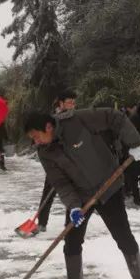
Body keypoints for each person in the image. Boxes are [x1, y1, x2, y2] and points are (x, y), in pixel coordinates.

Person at [24, 108, 140, 279]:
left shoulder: (77, 121)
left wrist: (134, 143)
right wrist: (74, 207)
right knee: (72, 242)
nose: (36, 142)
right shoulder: (45, 152)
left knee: (124, 238)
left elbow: (115, 117)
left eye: (37, 136)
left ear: (48, 127)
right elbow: (61, 184)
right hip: (81, 197)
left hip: (108, 188)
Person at [36, 90, 77, 233]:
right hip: (54, 163)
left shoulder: (76, 118)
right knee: (48, 191)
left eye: (74, 102)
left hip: (71, 162)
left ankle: (69, 223)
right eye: (69, 102)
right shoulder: (53, 121)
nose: (72, 105)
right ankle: (41, 222)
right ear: (61, 103)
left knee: (72, 192)